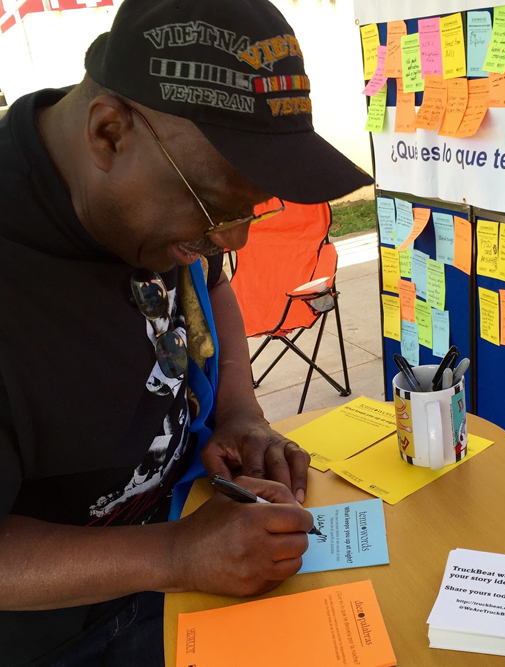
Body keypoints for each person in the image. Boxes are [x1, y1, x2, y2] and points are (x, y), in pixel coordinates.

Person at [0, 0, 373, 665]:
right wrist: (175, 555)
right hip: (60, 630)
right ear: (109, 134)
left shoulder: (143, 187)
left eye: (252, 210)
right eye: (215, 208)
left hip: (186, 543)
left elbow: (213, 279)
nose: (232, 239)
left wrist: (239, 409)